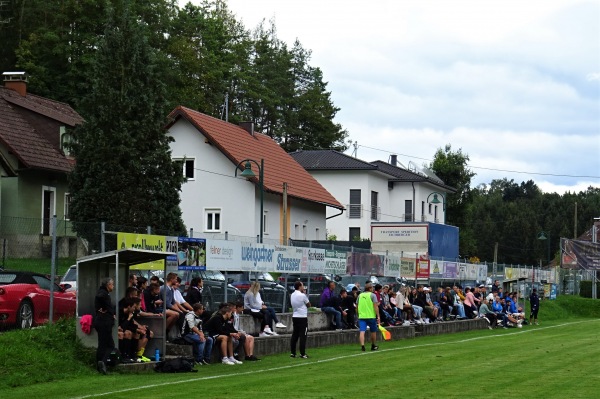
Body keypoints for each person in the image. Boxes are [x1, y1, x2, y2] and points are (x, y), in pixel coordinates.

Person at [95, 277, 116, 374]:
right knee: (110, 345)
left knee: (102, 344)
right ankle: (102, 362)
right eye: (112, 284)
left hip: (100, 321)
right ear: (108, 285)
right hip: (104, 322)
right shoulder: (103, 294)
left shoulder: (103, 293)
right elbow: (100, 298)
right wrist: (109, 311)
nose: (113, 286)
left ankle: (99, 365)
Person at [290, 281, 311, 359]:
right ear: (299, 286)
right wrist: (304, 294)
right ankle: (302, 353)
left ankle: (293, 353)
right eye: (302, 286)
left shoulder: (292, 295)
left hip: (295, 316)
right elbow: (309, 305)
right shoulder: (302, 295)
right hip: (302, 317)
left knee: (295, 334)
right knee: (303, 335)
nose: (303, 287)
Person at [357, 282, 380, 352]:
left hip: (362, 316)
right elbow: (375, 306)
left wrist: (358, 314)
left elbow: (357, 306)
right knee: (373, 331)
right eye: (372, 287)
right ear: (369, 288)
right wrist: (378, 316)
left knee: (362, 331)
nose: (373, 289)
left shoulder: (360, 295)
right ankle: (373, 345)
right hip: (371, 316)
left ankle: (362, 346)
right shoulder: (373, 295)